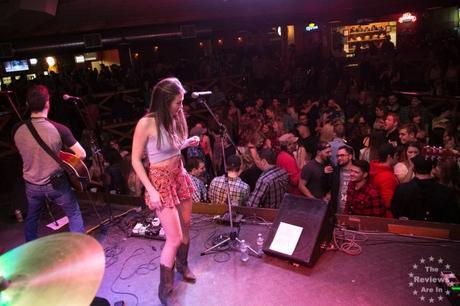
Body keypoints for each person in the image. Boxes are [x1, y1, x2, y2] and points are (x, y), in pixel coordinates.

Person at [131, 77, 200, 305]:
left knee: (187, 224)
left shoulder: (173, 118)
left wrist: (186, 143)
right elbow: (135, 160)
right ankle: (165, 289)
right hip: (159, 180)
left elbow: (170, 147)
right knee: (174, 237)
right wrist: (150, 190)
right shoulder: (146, 123)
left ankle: (183, 265)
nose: (181, 107)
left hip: (178, 174)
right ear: (163, 101)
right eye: (177, 103)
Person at [13, 84, 86, 242]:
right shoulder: (59, 129)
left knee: (32, 218)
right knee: (73, 213)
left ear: (27, 104)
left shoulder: (16, 129)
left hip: (31, 184)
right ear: (47, 103)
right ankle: (80, 251)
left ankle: (31, 250)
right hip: (57, 183)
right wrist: (63, 158)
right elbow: (82, 154)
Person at [392, 155, 459, 223]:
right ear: (432, 168)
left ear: (413, 168)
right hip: (437, 232)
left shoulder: (402, 190)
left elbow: (396, 213)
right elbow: (452, 219)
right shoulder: (447, 192)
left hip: (406, 231)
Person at [369, 143, 399, 218]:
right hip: (386, 217)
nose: (397, 158)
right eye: (396, 155)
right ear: (389, 156)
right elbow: (388, 203)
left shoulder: (373, 167)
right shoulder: (387, 177)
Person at [330, 145, 354, 214]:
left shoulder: (357, 171)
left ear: (350, 156)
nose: (339, 158)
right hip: (337, 211)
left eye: (342, 155)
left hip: (352, 211)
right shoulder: (335, 171)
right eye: (338, 156)